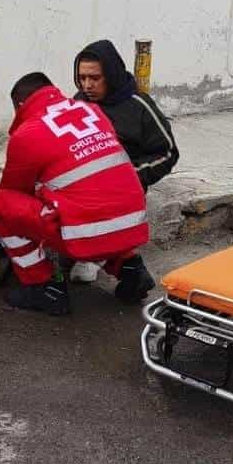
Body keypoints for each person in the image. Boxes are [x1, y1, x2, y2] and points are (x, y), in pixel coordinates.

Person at [0, 73, 154, 316]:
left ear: (21, 105)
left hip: (87, 232)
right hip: (133, 223)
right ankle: (130, 268)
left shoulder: (28, 133)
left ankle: (42, 287)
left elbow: (12, 192)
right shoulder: (93, 111)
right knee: (92, 200)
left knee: (0, 205)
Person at [69, 39, 179, 283]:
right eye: (82, 77)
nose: (87, 85)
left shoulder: (138, 106)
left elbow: (169, 153)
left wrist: (131, 175)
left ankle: (110, 260)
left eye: (94, 78)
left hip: (123, 191)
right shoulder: (79, 101)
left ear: (111, 74)